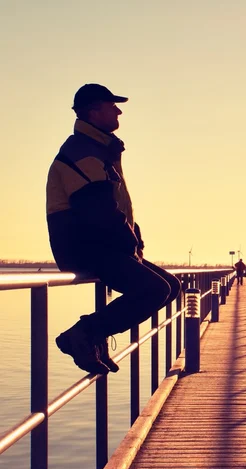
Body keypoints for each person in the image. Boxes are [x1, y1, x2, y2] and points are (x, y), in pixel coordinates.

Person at [46, 83, 181, 375]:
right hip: (85, 246)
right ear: (94, 111)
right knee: (155, 289)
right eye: (112, 106)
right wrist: (130, 246)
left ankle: (93, 335)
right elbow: (97, 210)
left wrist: (136, 240)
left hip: (104, 244)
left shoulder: (100, 149)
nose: (118, 110)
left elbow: (116, 206)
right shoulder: (82, 152)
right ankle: (81, 335)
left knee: (171, 288)